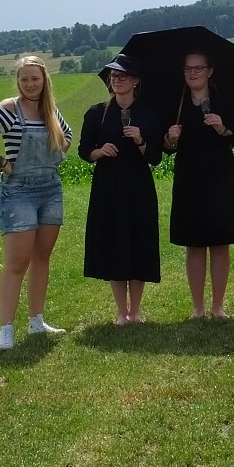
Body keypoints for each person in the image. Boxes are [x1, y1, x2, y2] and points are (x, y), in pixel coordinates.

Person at [0, 55, 72, 350]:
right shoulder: (9, 108)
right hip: (19, 193)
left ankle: (37, 321)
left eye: (35, 79)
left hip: (50, 189)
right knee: (17, 262)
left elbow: (68, 136)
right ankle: (6, 330)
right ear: (18, 81)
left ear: (44, 80)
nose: (29, 84)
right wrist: (3, 163)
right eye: (24, 79)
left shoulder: (49, 108)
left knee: (42, 257)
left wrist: (57, 155)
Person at [163, 51, 234, 319]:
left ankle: (218, 306)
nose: (193, 73)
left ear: (210, 71)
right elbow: (165, 147)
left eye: (199, 68)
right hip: (189, 179)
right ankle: (198, 307)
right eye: (188, 68)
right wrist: (170, 137)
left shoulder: (225, 100)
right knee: (195, 244)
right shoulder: (176, 102)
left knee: (221, 243)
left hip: (220, 177)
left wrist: (222, 128)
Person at [79, 54, 162, 325]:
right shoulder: (96, 113)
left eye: (122, 76)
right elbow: (83, 150)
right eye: (113, 76)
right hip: (108, 187)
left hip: (138, 187)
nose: (116, 80)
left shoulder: (149, 114)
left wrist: (140, 140)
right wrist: (98, 151)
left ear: (136, 81)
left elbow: (155, 157)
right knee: (114, 245)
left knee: (138, 242)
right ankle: (121, 312)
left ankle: (136, 310)